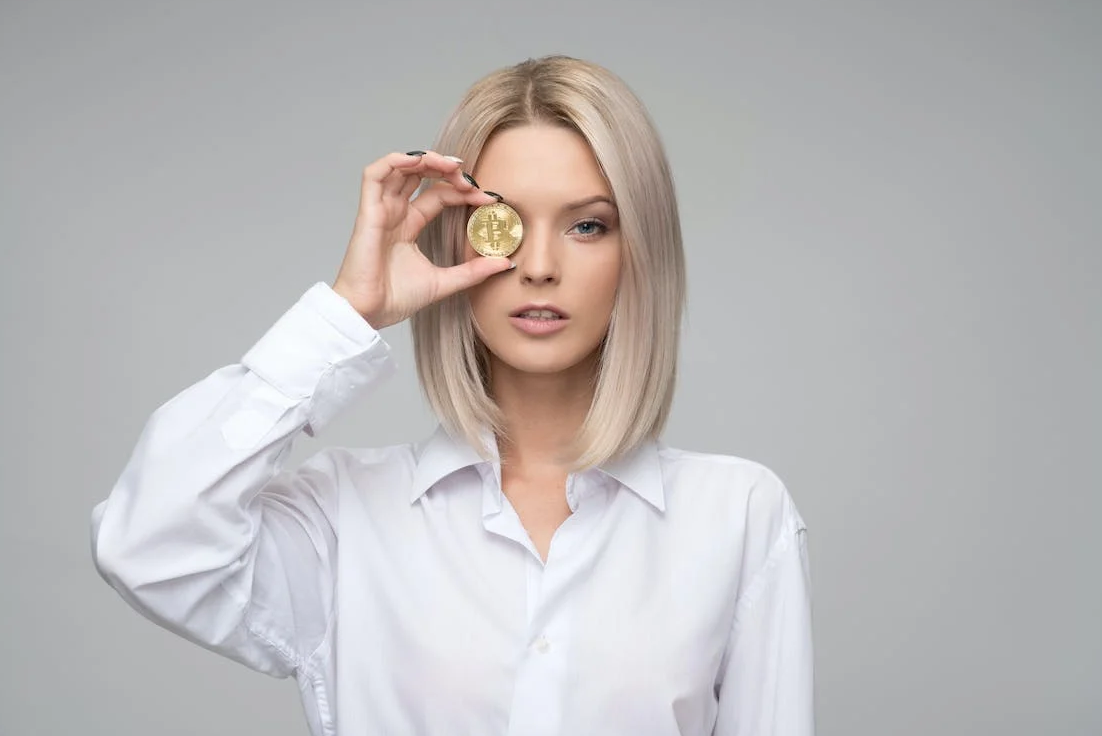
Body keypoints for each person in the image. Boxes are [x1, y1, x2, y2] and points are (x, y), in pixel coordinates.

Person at [90, 55, 814, 736]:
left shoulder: (739, 516)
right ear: (455, 241)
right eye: (501, 224)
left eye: (587, 225)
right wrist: (346, 311)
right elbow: (149, 544)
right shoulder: (344, 518)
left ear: (639, 253)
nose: (537, 266)